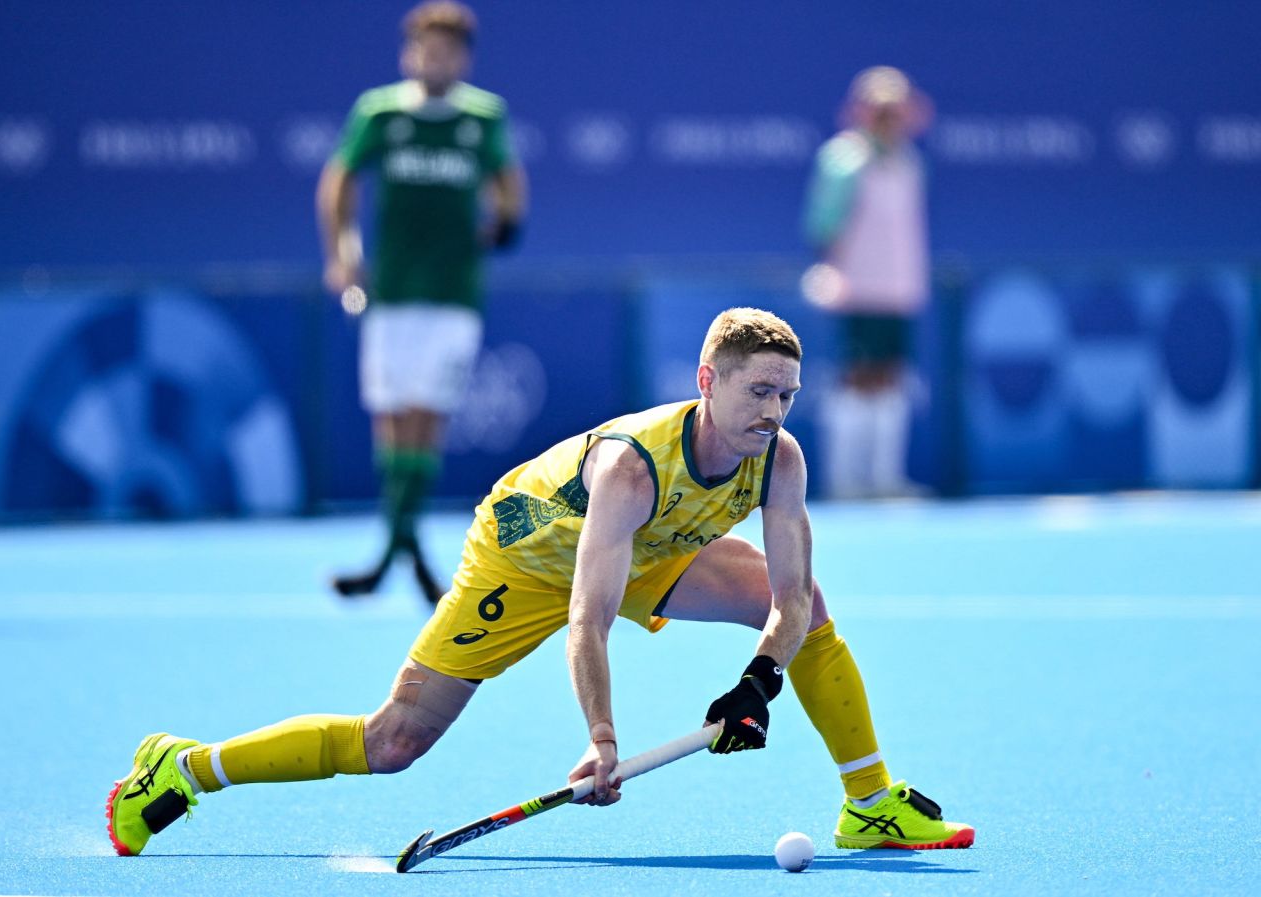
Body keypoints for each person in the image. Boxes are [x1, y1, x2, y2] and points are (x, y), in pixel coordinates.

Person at [105, 308, 973, 856]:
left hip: (655, 548)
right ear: (706, 381)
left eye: (786, 394)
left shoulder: (778, 458)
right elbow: (587, 621)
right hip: (529, 556)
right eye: (756, 392)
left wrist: (759, 679)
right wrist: (602, 738)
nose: (772, 412)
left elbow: (789, 597)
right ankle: (182, 769)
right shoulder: (633, 469)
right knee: (393, 743)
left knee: (812, 607)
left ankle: (871, 803)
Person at [317, 0, 527, 601]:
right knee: (391, 417)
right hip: (391, 291)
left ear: (464, 58)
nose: (435, 59)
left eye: (448, 50)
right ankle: (402, 553)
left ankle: (391, 555)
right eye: (425, 48)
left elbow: (509, 182)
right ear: (409, 53)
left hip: (453, 293)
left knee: (425, 418)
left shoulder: (482, 117)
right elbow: (339, 180)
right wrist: (342, 253)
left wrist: (504, 221)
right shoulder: (379, 112)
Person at [802, 66, 932, 500]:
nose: (889, 119)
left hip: (897, 289)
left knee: (892, 378)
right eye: (880, 110)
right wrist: (833, 271)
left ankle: (884, 479)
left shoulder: (909, 162)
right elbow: (823, 224)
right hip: (856, 289)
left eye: (895, 110)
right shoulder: (843, 159)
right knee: (855, 378)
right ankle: (846, 481)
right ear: (862, 111)